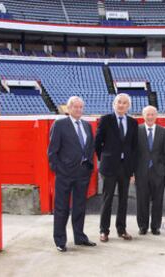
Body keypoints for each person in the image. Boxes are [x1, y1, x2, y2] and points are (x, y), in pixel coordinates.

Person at [48, 96, 96, 252]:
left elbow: (89, 147)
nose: (79, 110)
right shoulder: (60, 124)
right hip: (65, 174)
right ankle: (60, 241)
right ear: (68, 109)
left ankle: (80, 237)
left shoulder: (87, 125)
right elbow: (52, 151)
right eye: (75, 107)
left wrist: (89, 166)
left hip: (83, 173)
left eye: (81, 107)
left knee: (80, 206)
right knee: (61, 207)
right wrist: (59, 170)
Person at [95, 93, 138, 242]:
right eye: (119, 102)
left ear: (129, 106)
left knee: (124, 200)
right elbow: (97, 142)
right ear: (114, 104)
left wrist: (132, 170)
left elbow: (133, 148)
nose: (121, 105)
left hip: (125, 167)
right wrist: (104, 159)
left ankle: (121, 229)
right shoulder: (106, 120)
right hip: (109, 167)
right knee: (107, 199)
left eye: (125, 103)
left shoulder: (133, 122)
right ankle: (104, 230)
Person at [135, 106, 165, 235]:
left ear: (156, 116)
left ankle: (156, 226)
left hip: (158, 173)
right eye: (147, 114)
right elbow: (134, 153)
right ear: (143, 116)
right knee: (142, 200)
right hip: (141, 173)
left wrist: (162, 169)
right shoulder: (137, 130)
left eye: (152, 114)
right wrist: (134, 172)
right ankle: (142, 226)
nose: (150, 117)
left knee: (158, 200)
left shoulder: (163, 131)